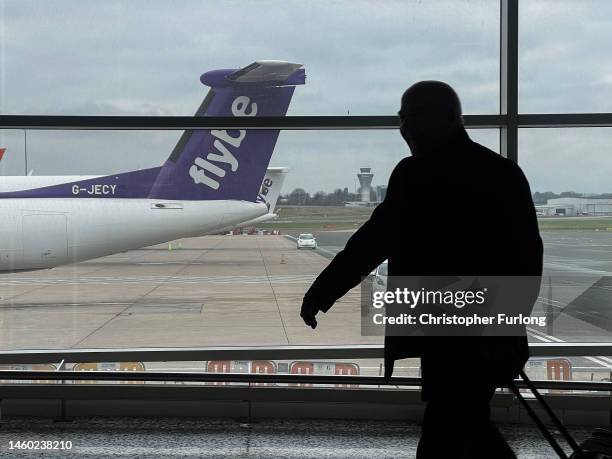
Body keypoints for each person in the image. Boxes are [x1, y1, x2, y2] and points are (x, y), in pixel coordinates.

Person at [300, 81, 543, 458]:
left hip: (454, 334)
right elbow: (527, 258)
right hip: (475, 333)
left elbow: (371, 243)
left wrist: (323, 291)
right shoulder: (502, 174)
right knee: (464, 425)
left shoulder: (415, 174)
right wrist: (507, 329)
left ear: (445, 120)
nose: (404, 128)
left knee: (449, 430)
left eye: (411, 117)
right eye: (402, 118)